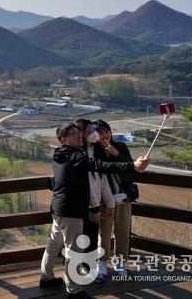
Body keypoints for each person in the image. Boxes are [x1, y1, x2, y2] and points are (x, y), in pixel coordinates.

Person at [39, 123, 150, 298]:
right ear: (63, 140)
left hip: (59, 208)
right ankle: (74, 291)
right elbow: (100, 166)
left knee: (54, 243)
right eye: (75, 134)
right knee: (73, 250)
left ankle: (46, 277)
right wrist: (132, 166)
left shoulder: (59, 153)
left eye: (79, 133)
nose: (80, 136)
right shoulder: (76, 156)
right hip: (71, 210)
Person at [74, 118, 115, 283]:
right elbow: (89, 183)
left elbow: (102, 179)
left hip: (94, 204)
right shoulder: (79, 154)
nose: (95, 134)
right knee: (80, 240)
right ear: (81, 134)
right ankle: (80, 273)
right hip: (85, 206)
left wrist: (109, 202)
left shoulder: (94, 150)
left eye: (94, 131)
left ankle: (89, 271)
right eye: (90, 132)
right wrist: (95, 208)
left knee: (89, 238)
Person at [93, 119, 135, 279]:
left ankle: (120, 264)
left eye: (107, 131)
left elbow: (131, 171)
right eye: (101, 132)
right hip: (104, 201)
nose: (105, 135)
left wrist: (116, 155)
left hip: (123, 198)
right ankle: (102, 263)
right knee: (103, 233)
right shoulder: (93, 151)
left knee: (123, 232)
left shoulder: (121, 147)